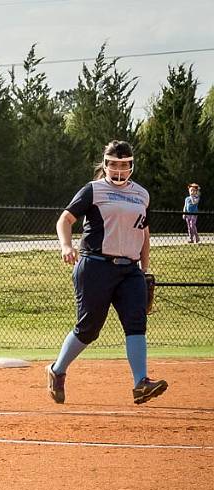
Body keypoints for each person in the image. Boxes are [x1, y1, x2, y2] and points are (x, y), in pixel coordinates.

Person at [46, 140, 167, 405]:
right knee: (89, 328)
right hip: (95, 266)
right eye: (114, 164)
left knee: (136, 323)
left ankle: (140, 383)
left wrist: (145, 270)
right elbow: (64, 220)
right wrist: (66, 245)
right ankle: (57, 370)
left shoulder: (141, 195)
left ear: (131, 165)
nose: (119, 169)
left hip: (130, 271)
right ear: (105, 164)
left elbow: (144, 234)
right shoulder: (93, 190)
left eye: (124, 164)